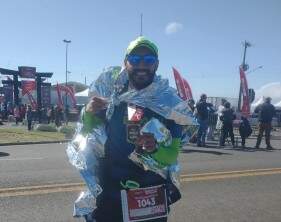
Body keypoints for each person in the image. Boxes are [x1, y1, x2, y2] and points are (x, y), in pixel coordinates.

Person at [81, 36, 182, 222]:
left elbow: (172, 154)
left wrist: (155, 148)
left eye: (149, 60)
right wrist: (88, 113)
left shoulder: (170, 104)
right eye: (135, 59)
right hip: (111, 192)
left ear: (157, 64)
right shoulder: (110, 97)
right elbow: (87, 133)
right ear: (125, 63)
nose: (141, 65)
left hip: (150, 196)